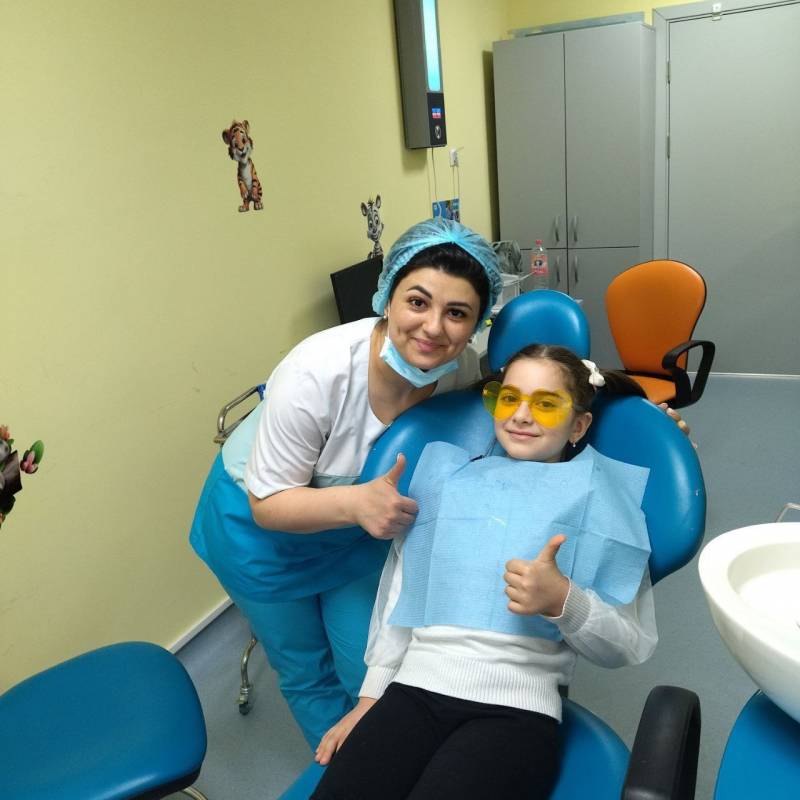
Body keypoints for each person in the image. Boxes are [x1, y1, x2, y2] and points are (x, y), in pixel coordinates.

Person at [189, 217, 504, 748]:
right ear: (388, 298)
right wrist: (357, 504)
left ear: (477, 323)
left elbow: (491, 431)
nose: (433, 328)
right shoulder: (318, 371)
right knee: (306, 670)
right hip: (259, 532)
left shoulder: (459, 371)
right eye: (418, 302)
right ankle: (345, 775)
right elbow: (268, 504)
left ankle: (382, 753)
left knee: (372, 662)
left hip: (358, 528)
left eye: (457, 313)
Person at [311, 344, 659, 800]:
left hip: (515, 712)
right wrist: (371, 698)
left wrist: (563, 601)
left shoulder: (601, 503)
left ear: (579, 425)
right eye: (509, 398)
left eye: (546, 404)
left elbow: (627, 644)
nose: (521, 416)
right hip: (412, 691)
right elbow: (402, 597)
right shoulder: (448, 483)